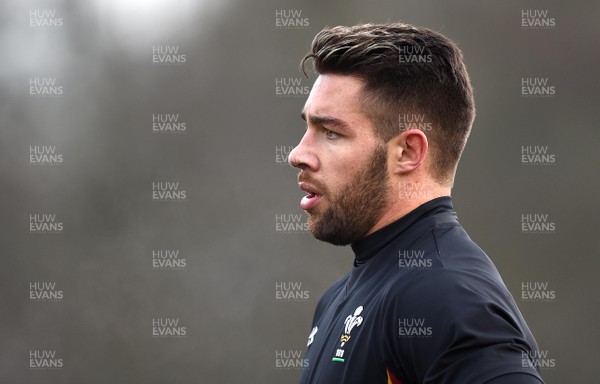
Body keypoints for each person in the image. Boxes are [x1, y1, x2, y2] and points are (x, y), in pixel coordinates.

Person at [288, 23, 543, 384]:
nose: (298, 154)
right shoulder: (338, 298)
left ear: (407, 152)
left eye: (331, 132)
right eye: (307, 128)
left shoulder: (445, 294)